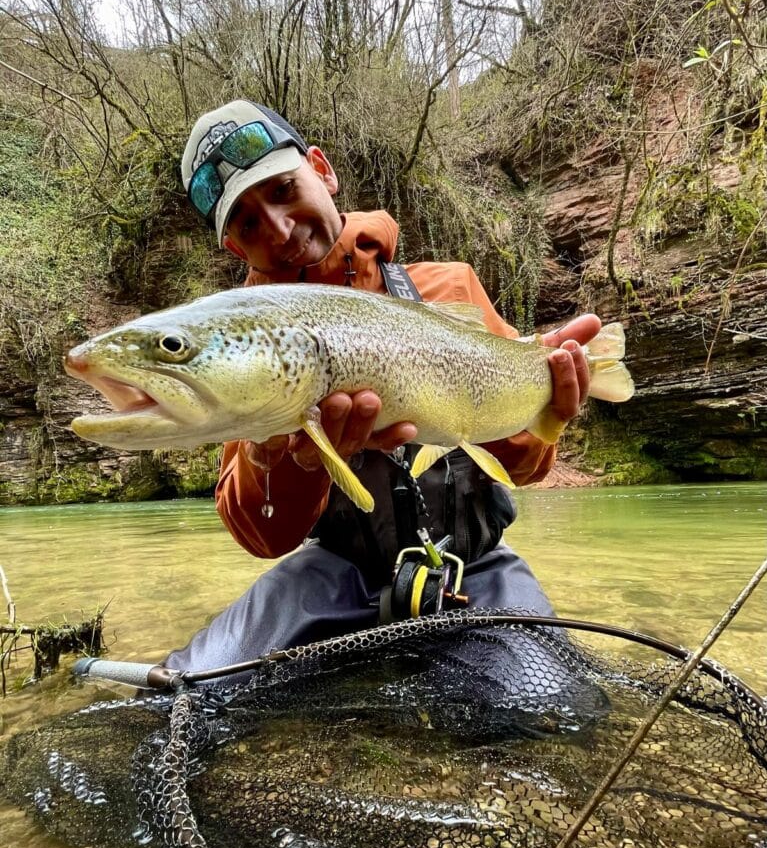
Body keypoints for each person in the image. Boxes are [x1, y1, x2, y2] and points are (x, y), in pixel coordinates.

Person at [165, 99, 601, 678]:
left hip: (472, 569)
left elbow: (524, 469)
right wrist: (274, 453)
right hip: (333, 574)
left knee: (552, 706)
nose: (279, 227)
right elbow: (263, 536)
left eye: (283, 189)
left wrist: (546, 413)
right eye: (247, 223)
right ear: (235, 249)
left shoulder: (448, 287)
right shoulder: (249, 348)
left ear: (322, 170)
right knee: (188, 692)